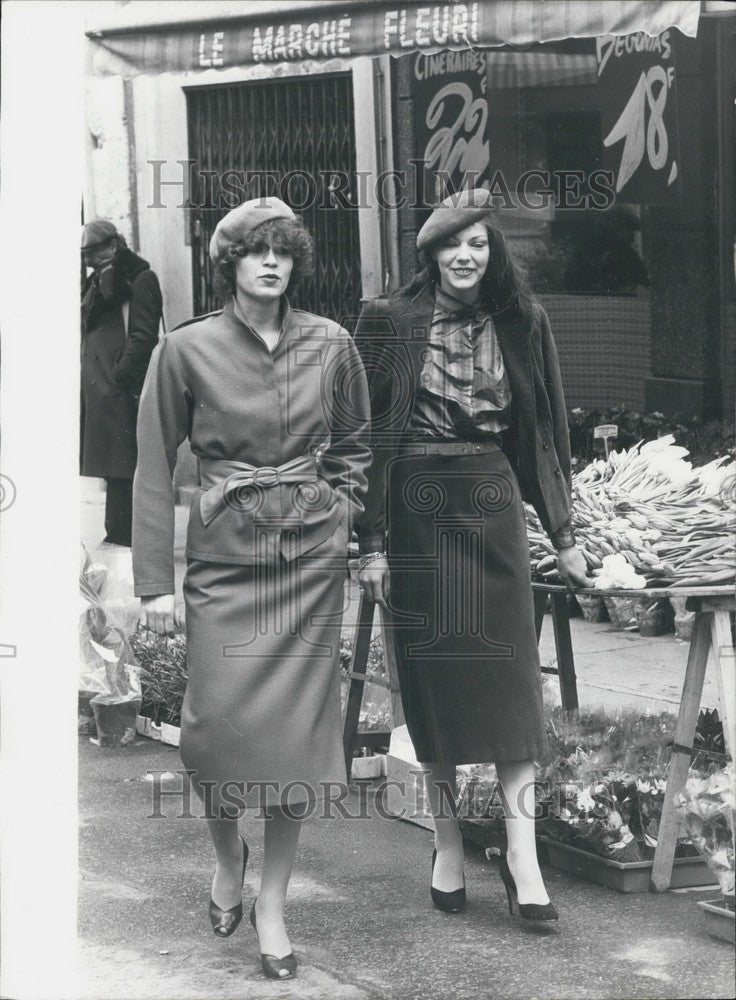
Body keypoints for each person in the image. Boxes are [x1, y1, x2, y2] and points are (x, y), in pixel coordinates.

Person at [132, 197, 371, 980]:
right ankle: (226, 856)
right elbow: (151, 462)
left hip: (308, 567)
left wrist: (343, 511)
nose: (270, 263)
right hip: (224, 564)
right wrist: (152, 583)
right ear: (228, 262)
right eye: (253, 251)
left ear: (298, 261)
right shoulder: (186, 348)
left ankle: (273, 903)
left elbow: (357, 447)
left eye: (283, 251)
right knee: (216, 737)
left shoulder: (332, 343)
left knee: (296, 749)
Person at [355, 188, 589, 924]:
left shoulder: (523, 320)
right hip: (414, 505)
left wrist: (567, 534)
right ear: (430, 253)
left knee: (511, 684)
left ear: (494, 252)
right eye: (452, 245)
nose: (465, 256)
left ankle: (521, 855)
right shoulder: (388, 322)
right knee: (434, 684)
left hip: (490, 504)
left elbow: (545, 433)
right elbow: (360, 436)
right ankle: (449, 843)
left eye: (479, 244)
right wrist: (369, 543)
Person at [81, 219, 163, 547]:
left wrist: (119, 374)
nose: (88, 259)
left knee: (126, 469)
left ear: (114, 245)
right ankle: (118, 537)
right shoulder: (93, 282)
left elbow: (144, 336)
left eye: (94, 251)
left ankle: (125, 541)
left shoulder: (139, 278)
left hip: (122, 390)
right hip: (100, 390)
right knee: (114, 471)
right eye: (85, 253)